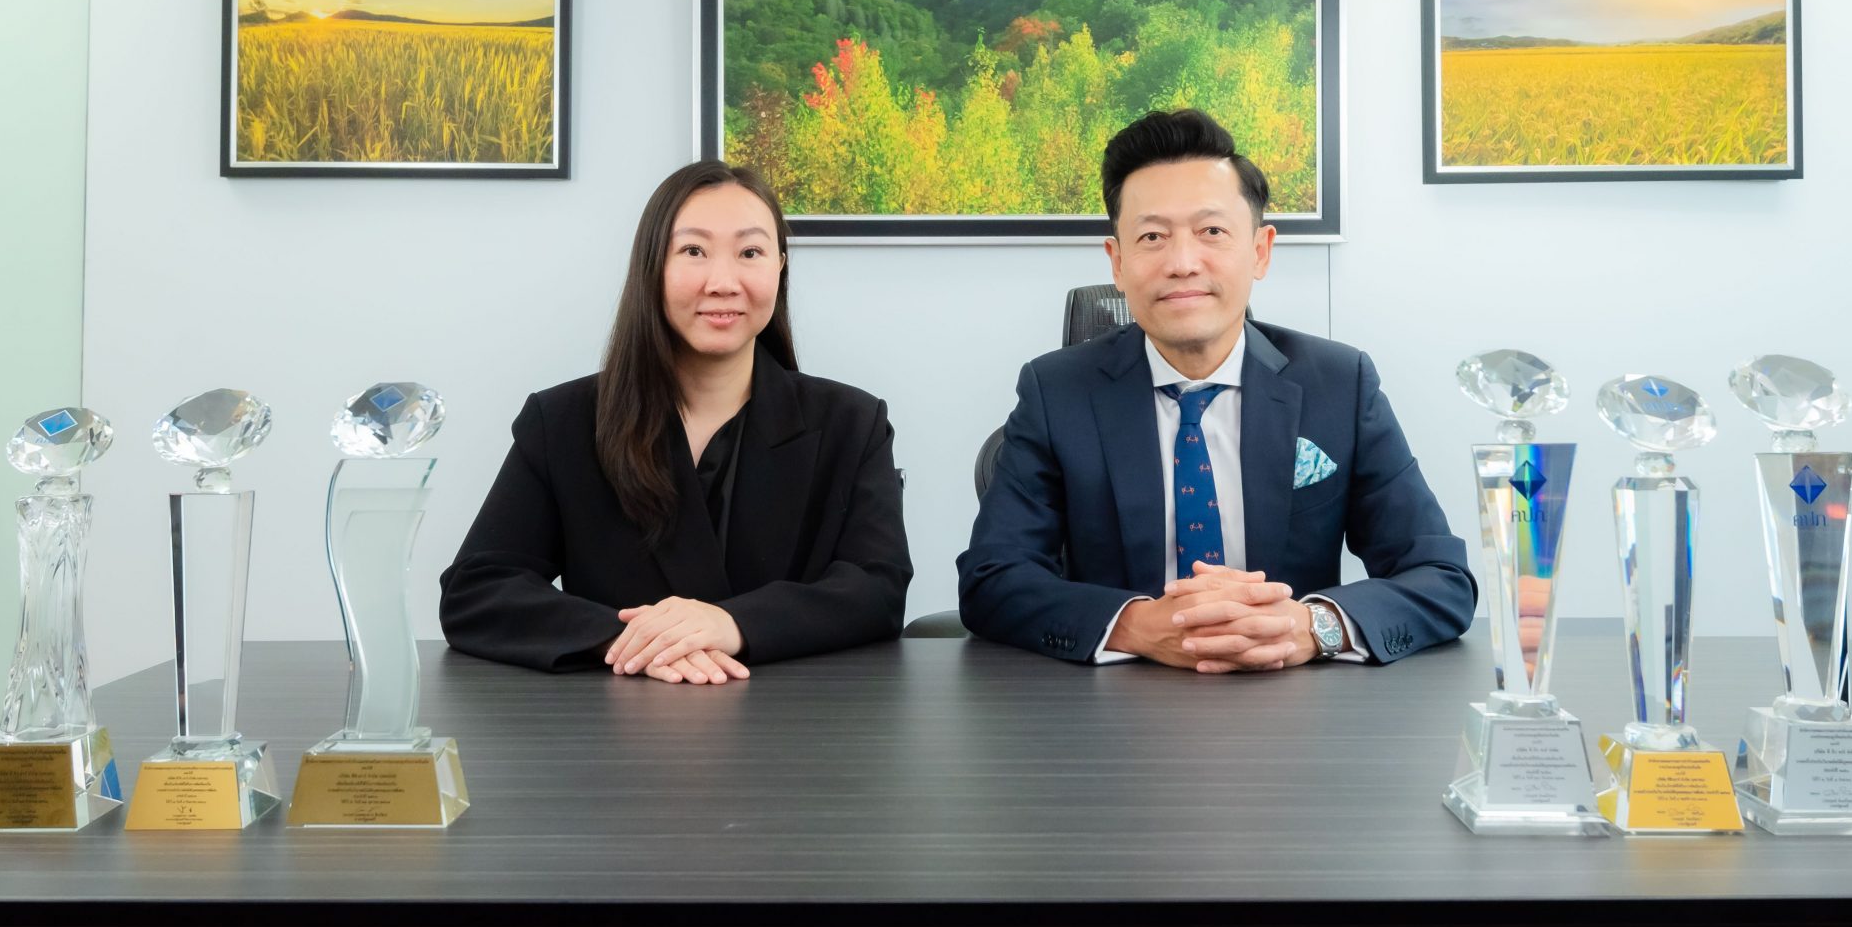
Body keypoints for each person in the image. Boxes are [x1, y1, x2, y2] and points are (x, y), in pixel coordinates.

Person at [958, 109, 1475, 671]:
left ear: (1260, 251)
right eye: (1152, 237)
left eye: (1212, 232)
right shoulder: (1057, 391)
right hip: (1114, 702)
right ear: (1118, 262)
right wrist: (1135, 626)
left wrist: (1311, 626)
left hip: (1295, 696)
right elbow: (992, 578)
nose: (1182, 263)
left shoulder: (1338, 384)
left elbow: (1440, 577)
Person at [440, 161, 910, 683]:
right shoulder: (562, 421)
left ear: (780, 266)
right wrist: (632, 640)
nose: (723, 283)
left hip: (794, 716)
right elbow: (477, 590)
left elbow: (878, 589)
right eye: (693, 251)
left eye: (750, 253)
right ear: (652, 267)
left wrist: (733, 623)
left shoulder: (853, 423)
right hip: (617, 715)